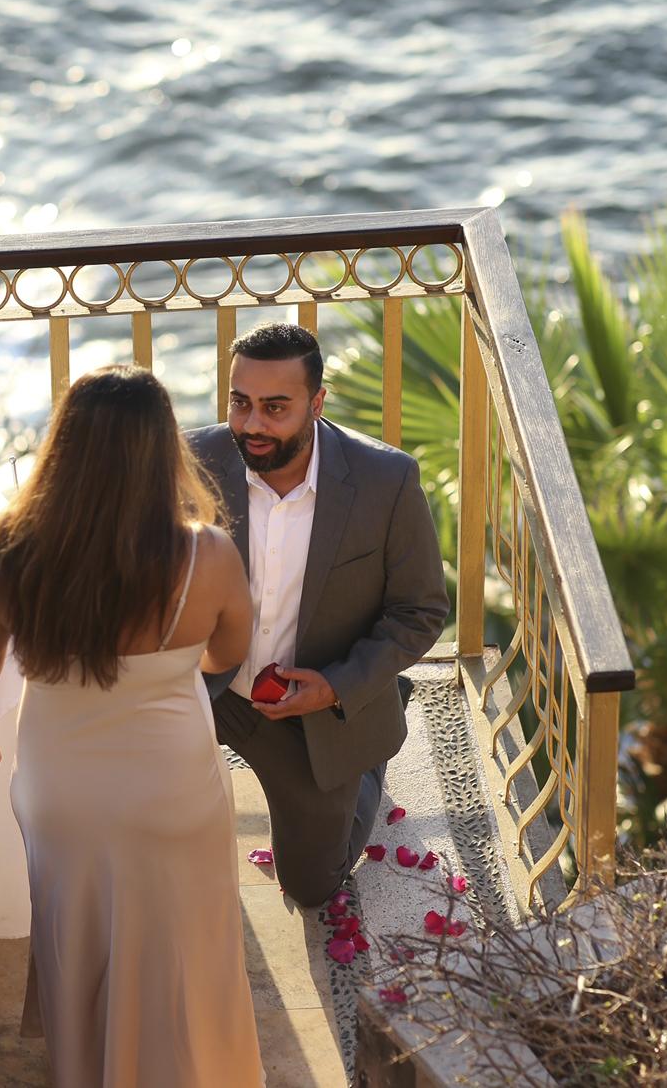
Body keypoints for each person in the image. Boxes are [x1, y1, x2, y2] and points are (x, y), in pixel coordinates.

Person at [0, 365, 264, 1087]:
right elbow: (226, 655)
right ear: (162, 452)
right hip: (173, 787)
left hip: (63, 791)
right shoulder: (206, 554)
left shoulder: (8, 548)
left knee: (78, 936)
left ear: (64, 447)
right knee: (186, 942)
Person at [188, 321, 448, 908]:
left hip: (313, 706)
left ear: (317, 403)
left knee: (311, 886)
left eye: (275, 408)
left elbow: (421, 611)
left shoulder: (387, 481)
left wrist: (338, 687)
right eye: (240, 402)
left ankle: (372, 750)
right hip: (207, 688)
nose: (252, 424)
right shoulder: (190, 461)